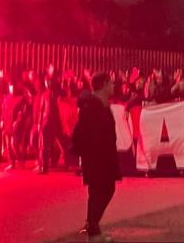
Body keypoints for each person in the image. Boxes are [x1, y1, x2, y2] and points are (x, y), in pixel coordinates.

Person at [72, 73, 121, 242]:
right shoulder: (91, 106)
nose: (114, 86)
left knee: (101, 191)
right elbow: (80, 132)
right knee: (103, 190)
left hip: (105, 155)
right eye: (111, 83)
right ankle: (92, 229)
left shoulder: (102, 104)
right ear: (104, 84)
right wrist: (83, 152)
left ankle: (93, 228)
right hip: (96, 157)